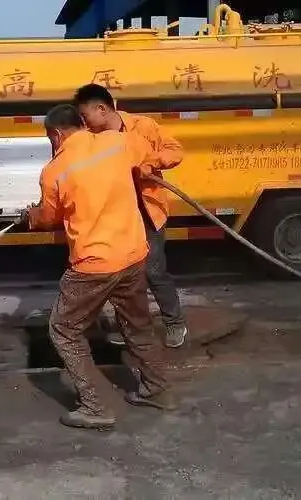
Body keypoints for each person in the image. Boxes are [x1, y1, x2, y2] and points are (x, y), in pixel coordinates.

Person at [16, 103, 177, 430]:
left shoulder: (55, 171)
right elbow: (154, 153)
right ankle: (157, 390)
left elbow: (49, 217)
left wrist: (30, 217)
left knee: (64, 329)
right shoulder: (117, 142)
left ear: (56, 134)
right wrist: (145, 166)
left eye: (50, 139)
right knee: (138, 325)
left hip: (93, 265)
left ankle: (95, 406)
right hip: (132, 254)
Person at [73, 83, 188, 349]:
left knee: (154, 271)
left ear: (101, 109)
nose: (84, 122)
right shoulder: (91, 138)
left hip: (147, 212)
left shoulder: (142, 127)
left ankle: (175, 323)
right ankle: (131, 328)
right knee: (121, 274)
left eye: (86, 116)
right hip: (116, 216)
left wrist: (151, 163)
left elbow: (175, 150)